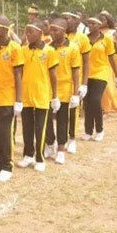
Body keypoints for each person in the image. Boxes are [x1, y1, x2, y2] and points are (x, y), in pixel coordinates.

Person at [0, 14, 24, 182]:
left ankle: (7, 166)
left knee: (5, 134)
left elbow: (18, 76)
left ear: (3, 29)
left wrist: (19, 100)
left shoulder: (15, 48)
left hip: (7, 99)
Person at [17, 19, 59, 172]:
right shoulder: (23, 50)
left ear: (40, 33)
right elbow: (19, 72)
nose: (28, 35)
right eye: (26, 31)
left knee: (40, 128)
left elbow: (53, 75)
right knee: (27, 127)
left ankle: (40, 158)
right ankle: (28, 155)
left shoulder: (49, 51)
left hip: (42, 95)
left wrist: (55, 96)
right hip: (26, 95)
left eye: (31, 32)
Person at [43, 18, 81, 165]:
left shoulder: (72, 48)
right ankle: (49, 143)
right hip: (48, 88)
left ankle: (60, 149)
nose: (52, 33)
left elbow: (76, 71)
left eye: (55, 30)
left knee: (62, 120)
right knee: (46, 118)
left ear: (63, 31)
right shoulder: (47, 47)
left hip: (65, 88)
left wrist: (76, 93)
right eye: (51, 29)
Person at [82, 17, 117, 141]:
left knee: (95, 99)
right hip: (87, 73)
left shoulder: (107, 39)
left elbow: (112, 58)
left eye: (93, 23)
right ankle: (88, 131)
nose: (90, 25)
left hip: (101, 72)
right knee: (87, 102)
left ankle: (99, 129)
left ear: (99, 25)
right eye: (88, 23)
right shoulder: (84, 39)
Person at [62, 10, 91, 154]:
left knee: (73, 110)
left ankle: (72, 138)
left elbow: (86, 62)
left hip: (74, 79)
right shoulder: (59, 35)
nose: (65, 21)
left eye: (67, 18)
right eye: (63, 18)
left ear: (75, 21)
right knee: (60, 112)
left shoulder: (82, 38)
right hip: (59, 80)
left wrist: (84, 83)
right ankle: (59, 140)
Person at [99, 11, 117, 114]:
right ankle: (101, 106)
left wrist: (113, 43)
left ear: (108, 21)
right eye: (99, 19)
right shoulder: (96, 31)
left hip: (109, 60)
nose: (101, 21)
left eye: (103, 19)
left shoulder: (112, 32)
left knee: (108, 85)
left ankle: (110, 106)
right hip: (98, 60)